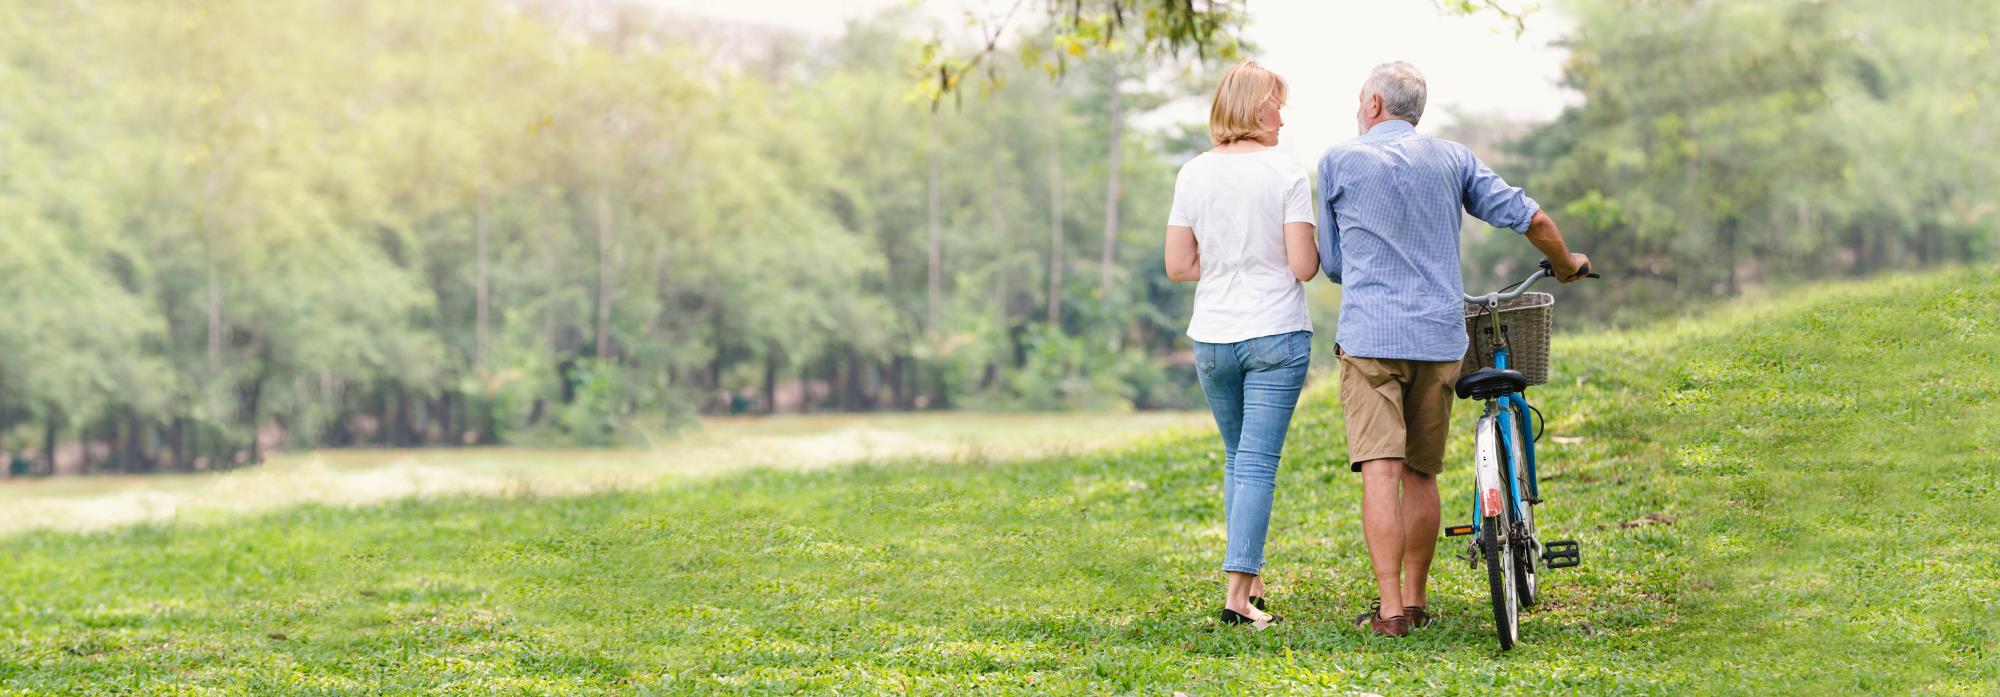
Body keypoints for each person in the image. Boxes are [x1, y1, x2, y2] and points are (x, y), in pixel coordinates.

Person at [1317, 62, 1591, 638]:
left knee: (1379, 473)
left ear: (1372, 104)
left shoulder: (1338, 162)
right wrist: (1565, 265)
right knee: (1422, 473)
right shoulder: (1453, 159)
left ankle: (1391, 612)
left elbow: (1335, 265)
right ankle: (1417, 600)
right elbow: (1530, 216)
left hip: (1370, 339)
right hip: (1439, 336)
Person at [1164, 60, 1320, 630]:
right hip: (1274, 331)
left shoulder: (1192, 174)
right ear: (1259, 110)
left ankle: (1249, 581)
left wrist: (1228, 262)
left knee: (1238, 458)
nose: (1283, 115)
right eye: (1278, 103)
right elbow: (1303, 267)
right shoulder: (1285, 173)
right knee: (1256, 461)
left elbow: (1179, 265)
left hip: (1212, 339)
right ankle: (1237, 598)